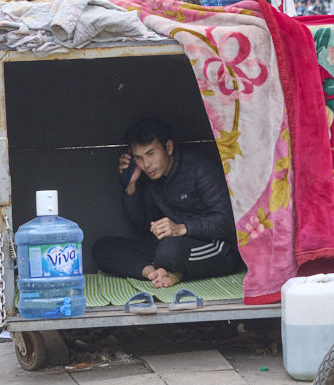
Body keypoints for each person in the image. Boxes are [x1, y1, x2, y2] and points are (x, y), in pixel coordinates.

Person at [92, 117, 243, 288]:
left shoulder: (200, 168)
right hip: (170, 246)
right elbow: (143, 227)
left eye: (151, 153)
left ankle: (170, 266)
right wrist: (131, 187)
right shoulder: (149, 176)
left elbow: (226, 221)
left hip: (215, 247)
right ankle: (153, 273)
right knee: (102, 247)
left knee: (169, 250)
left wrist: (182, 228)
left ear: (168, 147)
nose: (146, 164)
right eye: (139, 158)